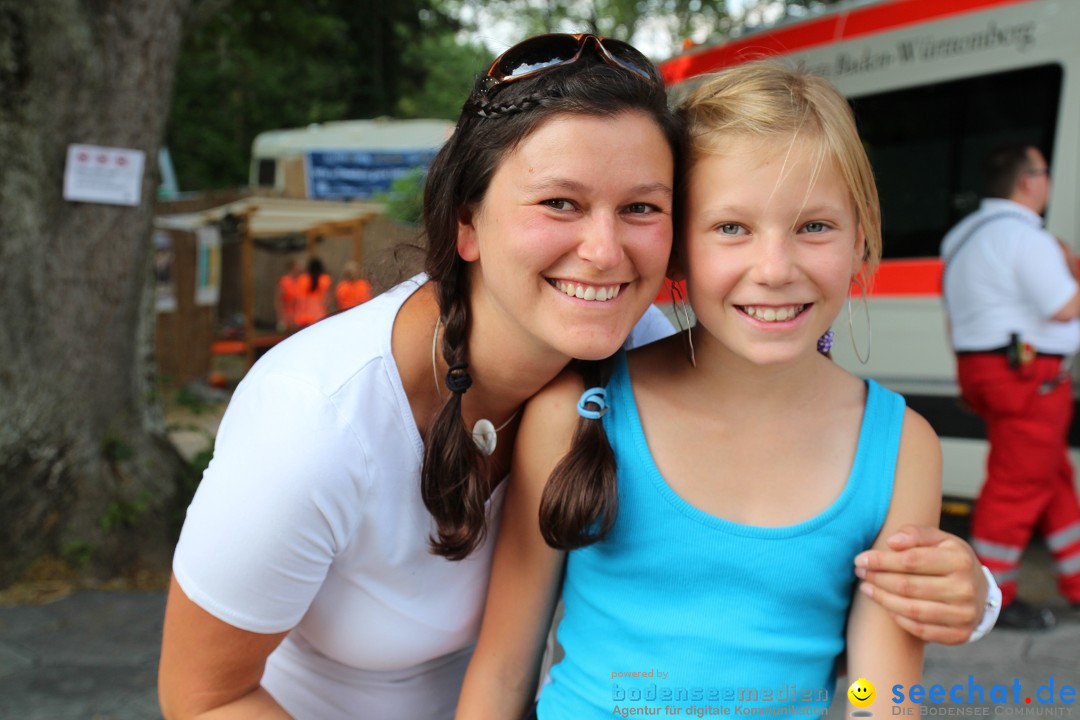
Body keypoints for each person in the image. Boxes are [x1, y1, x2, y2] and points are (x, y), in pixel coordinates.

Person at [158, 35, 993, 720]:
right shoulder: (318, 418)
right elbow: (205, 696)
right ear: (468, 223)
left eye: (639, 208)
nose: (604, 251)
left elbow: (874, 689)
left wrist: (970, 597)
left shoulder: (641, 340)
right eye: (559, 203)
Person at [456, 61, 941, 718]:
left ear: (862, 241)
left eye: (814, 226)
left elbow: (878, 694)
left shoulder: (902, 449)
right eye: (731, 228)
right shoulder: (575, 414)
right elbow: (505, 669)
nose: (774, 269)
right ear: (677, 250)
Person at [941, 143, 1080, 630]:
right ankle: (992, 596)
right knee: (1018, 486)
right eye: (1044, 172)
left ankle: (1077, 582)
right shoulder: (1027, 238)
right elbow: (1064, 306)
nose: (1048, 180)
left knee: (1052, 476)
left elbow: (955, 318)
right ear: (1028, 182)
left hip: (985, 370)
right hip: (1029, 379)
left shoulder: (961, 236)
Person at [292, 256, 332, 328]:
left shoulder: (302, 279)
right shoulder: (325, 280)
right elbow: (327, 302)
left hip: (302, 317)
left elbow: (297, 300)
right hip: (319, 317)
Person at [274, 258, 303, 332]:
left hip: (298, 318)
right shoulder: (284, 282)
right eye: (298, 267)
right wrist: (281, 319)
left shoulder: (300, 281)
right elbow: (278, 301)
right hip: (287, 317)